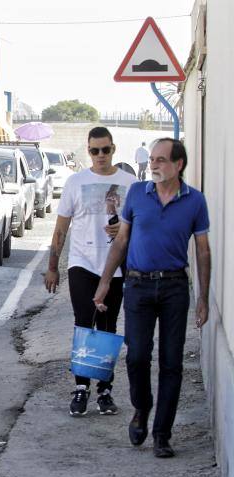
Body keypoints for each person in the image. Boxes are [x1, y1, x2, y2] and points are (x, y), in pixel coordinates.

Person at [93, 138, 210, 458]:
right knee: (137, 356)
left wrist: (203, 298)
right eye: (153, 159)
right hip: (138, 286)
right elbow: (121, 242)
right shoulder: (137, 195)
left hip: (174, 288)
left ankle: (162, 434)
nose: (154, 164)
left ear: (178, 165)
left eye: (161, 160)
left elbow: (202, 251)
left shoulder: (195, 201)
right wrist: (105, 281)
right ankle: (141, 409)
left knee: (172, 363)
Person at [45, 126, 136, 417]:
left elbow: (141, 226)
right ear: (88, 151)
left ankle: (105, 391)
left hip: (116, 266)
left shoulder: (130, 183)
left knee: (108, 329)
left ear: (113, 149)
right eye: (94, 150)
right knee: (84, 324)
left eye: (105, 150)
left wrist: (124, 228)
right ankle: (81, 387)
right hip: (82, 263)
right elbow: (61, 228)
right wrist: (52, 267)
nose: (100, 155)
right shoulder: (75, 182)